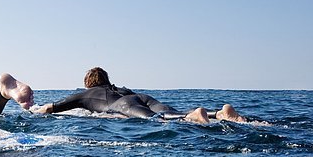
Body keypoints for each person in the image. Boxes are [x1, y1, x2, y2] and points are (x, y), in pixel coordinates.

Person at [31, 67, 246, 124]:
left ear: (88, 84)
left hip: (123, 106)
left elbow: (52, 107)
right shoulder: (119, 87)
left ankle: (195, 117)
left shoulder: (85, 94)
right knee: (171, 112)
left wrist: (35, 109)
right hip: (140, 97)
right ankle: (219, 113)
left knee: (157, 120)